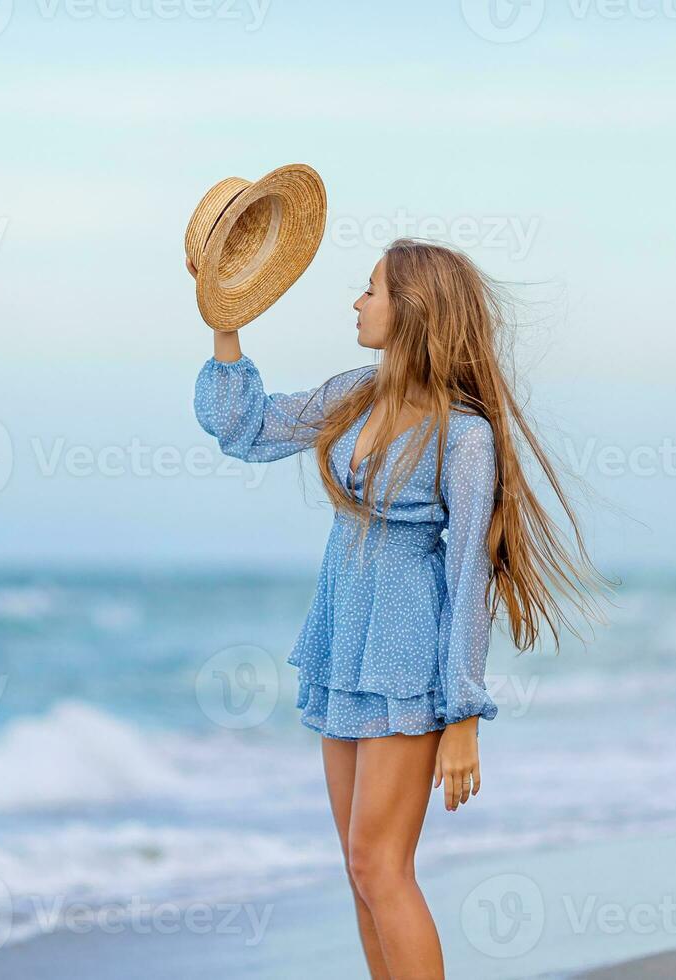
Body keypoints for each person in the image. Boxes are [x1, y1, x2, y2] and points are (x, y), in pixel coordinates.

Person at [191, 239, 609, 979]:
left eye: (372, 291)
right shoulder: (354, 394)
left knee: (382, 867)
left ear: (412, 312)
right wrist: (225, 320)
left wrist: (463, 714)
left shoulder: (466, 436)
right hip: (341, 642)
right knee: (360, 870)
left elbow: (469, 567)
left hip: (405, 653)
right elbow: (244, 427)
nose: (357, 302)